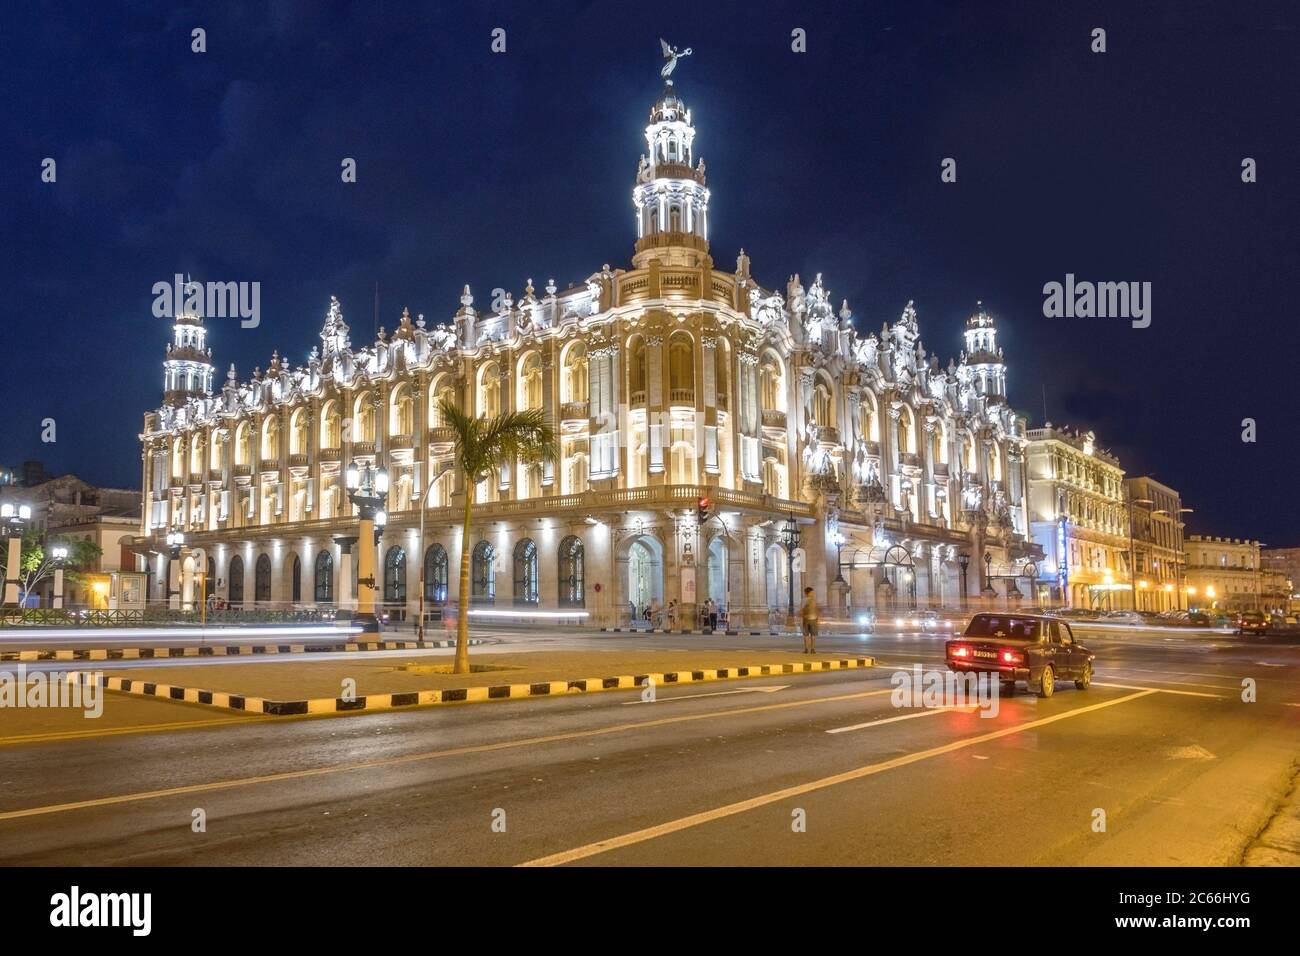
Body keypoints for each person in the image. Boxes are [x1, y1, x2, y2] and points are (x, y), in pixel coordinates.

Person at [800, 586, 818, 654]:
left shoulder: (803, 600)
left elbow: (801, 610)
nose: (813, 593)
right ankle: (813, 649)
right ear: (809, 592)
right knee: (813, 635)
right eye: (812, 592)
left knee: (806, 635)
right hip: (813, 619)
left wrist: (802, 617)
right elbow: (816, 610)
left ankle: (806, 649)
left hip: (805, 619)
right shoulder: (814, 600)